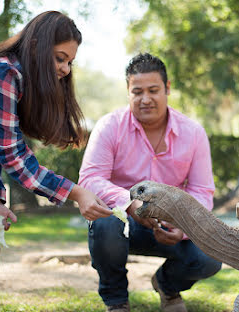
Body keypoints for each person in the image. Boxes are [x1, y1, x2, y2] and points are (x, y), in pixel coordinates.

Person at [0, 11, 112, 312]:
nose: (66, 69)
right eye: (59, 58)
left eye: (70, 61)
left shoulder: (16, 81)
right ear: (35, 48)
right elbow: (14, 158)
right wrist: (76, 192)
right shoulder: (2, 72)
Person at [79, 53, 222, 312]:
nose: (145, 99)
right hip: (122, 224)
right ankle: (117, 302)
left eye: (153, 90)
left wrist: (183, 224)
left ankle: (167, 286)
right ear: (128, 92)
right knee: (105, 221)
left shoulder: (193, 133)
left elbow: (202, 191)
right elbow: (90, 179)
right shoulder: (109, 126)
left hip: (170, 226)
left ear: (167, 88)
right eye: (137, 92)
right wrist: (128, 204)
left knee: (210, 257)